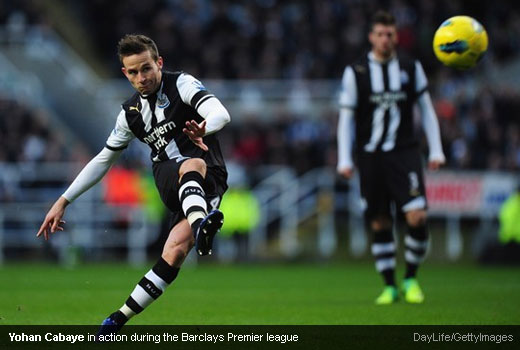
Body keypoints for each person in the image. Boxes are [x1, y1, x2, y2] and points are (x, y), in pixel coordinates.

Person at [36, 34, 231, 332]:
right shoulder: (130, 114)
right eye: (133, 72)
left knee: (175, 252)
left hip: (210, 181)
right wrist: (63, 201)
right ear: (125, 73)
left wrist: (206, 127)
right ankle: (200, 224)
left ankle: (117, 319)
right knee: (192, 164)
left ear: (159, 63)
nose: (141, 77)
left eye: (146, 69)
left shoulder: (182, 84)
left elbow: (221, 113)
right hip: (171, 175)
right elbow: (103, 160)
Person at [337, 11, 445, 305]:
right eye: (380, 34)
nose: (386, 39)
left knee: (417, 215)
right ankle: (389, 286)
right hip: (371, 157)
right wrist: (344, 158)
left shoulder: (410, 67)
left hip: (404, 152)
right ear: (372, 37)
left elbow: (426, 108)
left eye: (390, 34)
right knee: (380, 222)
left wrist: (435, 149)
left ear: (396, 36)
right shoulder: (356, 72)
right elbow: (346, 119)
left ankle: (410, 277)